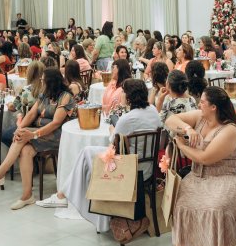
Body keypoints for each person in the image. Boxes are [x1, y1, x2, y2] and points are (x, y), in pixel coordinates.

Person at [41, 79, 162, 229]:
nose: (121, 95)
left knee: (86, 153)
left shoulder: (127, 119)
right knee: (87, 155)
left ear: (130, 96)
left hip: (128, 169)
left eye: (123, 92)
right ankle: (64, 195)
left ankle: (65, 195)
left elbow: (113, 145)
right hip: (148, 167)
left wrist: (112, 130)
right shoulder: (152, 111)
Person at [160, 87, 236, 246]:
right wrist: (188, 130)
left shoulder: (230, 130)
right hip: (199, 175)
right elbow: (170, 119)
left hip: (227, 176)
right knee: (182, 203)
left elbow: (206, 157)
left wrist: (182, 146)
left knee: (220, 207)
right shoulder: (200, 118)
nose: (199, 104)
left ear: (214, 107)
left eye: (203, 102)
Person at [0, 68, 75, 209]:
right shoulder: (45, 94)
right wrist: (20, 128)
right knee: (25, 150)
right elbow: (31, 113)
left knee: (23, 137)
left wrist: (33, 134)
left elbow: (56, 123)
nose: (41, 81)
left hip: (58, 135)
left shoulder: (65, 97)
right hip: (40, 133)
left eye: (43, 79)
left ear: (51, 81)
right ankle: (27, 196)